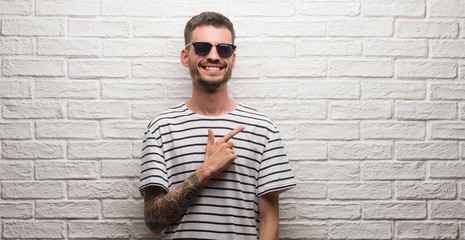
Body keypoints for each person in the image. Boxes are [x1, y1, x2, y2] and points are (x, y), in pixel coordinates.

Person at [139, 11, 296, 240]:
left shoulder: (263, 129)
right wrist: (206, 170)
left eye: (223, 49)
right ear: (185, 56)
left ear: (232, 58)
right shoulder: (161, 128)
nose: (214, 56)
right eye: (202, 47)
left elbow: (269, 221)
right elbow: (153, 222)